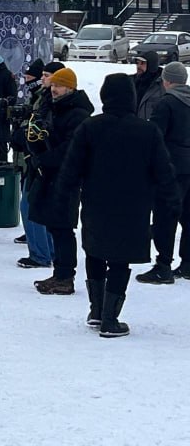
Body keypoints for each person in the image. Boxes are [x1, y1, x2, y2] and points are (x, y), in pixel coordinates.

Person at [57, 74, 179, 338]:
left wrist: (63, 195)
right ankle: (110, 319)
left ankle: (96, 310)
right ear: (131, 97)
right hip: (133, 206)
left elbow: (72, 167)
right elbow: (163, 170)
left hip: (96, 201)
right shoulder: (147, 131)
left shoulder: (90, 127)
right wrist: (173, 201)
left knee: (95, 252)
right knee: (120, 259)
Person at [28, 67, 95, 296]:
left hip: (66, 177)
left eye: (59, 85)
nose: (54, 89)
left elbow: (71, 147)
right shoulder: (52, 108)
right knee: (54, 225)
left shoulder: (78, 114)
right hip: (50, 174)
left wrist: (45, 157)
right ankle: (60, 273)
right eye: (53, 85)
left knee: (63, 227)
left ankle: (65, 276)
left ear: (70, 88)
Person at [137, 60, 190, 284]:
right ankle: (187, 263)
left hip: (171, 169)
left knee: (164, 218)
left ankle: (163, 266)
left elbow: (155, 137)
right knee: (188, 217)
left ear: (167, 80)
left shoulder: (166, 103)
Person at [11, 60, 56, 269]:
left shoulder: (52, 103)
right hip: (37, 160)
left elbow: (44, 132)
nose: (41, 79)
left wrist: (25, 134)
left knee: (30, 206)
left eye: (46, 76)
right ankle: (48, 251)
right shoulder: (44, 98)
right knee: (36, 206)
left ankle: (41, 254)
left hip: (42, 162)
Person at [131, 48, 165, 122]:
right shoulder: (131, 81)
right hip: (132, 125)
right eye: (137, 63)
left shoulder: (162, 84)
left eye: (142, 63)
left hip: (152, 127)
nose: (138, 66)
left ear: (151, 65)